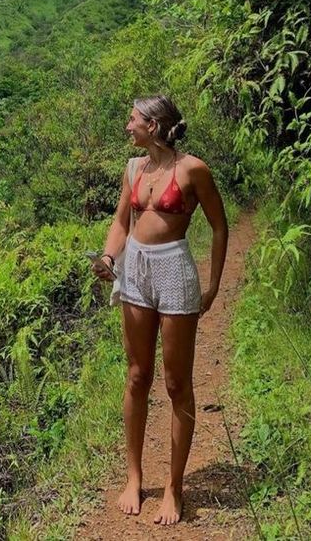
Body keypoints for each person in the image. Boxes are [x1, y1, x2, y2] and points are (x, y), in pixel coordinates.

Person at [92, 95, 228, 526]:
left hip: (173, 269)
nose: (126, 126)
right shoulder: (133, 169)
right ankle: (134, 477)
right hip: (135, 270)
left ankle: (174, 486)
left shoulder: (192, 169)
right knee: (137, 375)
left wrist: (214, 285)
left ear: (154, 125)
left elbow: (219, 225)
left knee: (175, 382)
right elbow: (121, 222)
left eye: (132, 119)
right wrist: (109, 258)